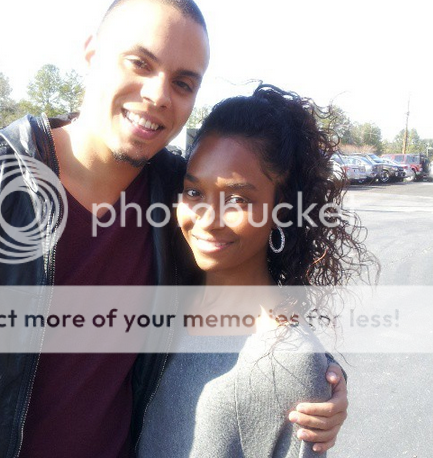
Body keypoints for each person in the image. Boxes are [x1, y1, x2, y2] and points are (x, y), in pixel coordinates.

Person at [0, 1, 347, 457]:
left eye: (183, 82)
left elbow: (243, 279)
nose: (158, 95)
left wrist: (315, 372)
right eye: (140, 63)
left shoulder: (177, 195)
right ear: (92, 54)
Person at [138, 84, 376, 457]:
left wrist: (315, 370)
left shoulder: (290, 362)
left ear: (281, 211)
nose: (207, 220)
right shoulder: (162, 294)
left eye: (237, 199)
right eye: (195, 192)